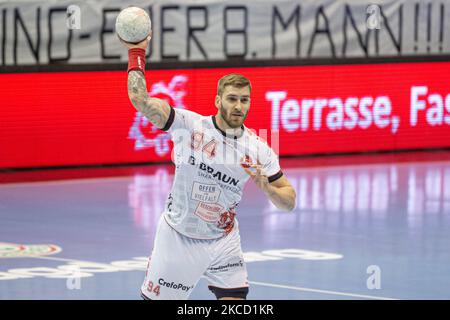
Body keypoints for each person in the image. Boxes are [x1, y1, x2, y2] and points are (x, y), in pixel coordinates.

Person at [121, 33, 296, 300]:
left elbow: (289, 202)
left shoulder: (259, 149)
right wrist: (136, 52)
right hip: (178, 237)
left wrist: (268, 190)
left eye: (244, 100)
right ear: (217, 101)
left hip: (222, 241)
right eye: (232, 99)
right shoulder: (188, 125)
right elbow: (140, 100)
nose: (239, 106)